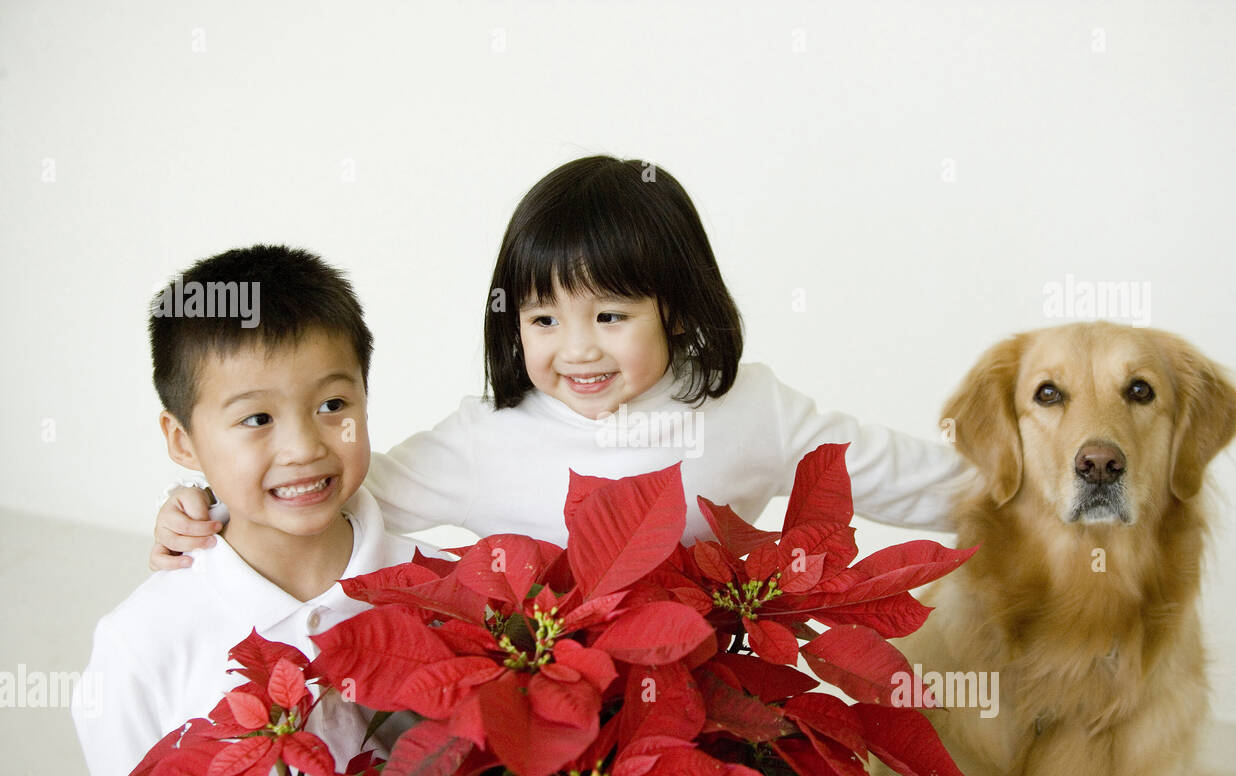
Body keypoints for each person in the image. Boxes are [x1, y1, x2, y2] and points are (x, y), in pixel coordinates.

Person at [148, 156, 970, 562]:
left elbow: (902, 476)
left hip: (704, 712)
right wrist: (206, 518)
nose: (576, 349)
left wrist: (1046, 495)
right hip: (542, 728)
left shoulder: (750, 408)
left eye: (610, 315)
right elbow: (346, 501)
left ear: (675, 307)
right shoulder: (487, 435)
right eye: (543, 317)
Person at [71, 245, 435, 776]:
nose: (302, 447)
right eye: (257, 418)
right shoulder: (138, 644)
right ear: (183, 441)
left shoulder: (431, 586)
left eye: (333, 406)